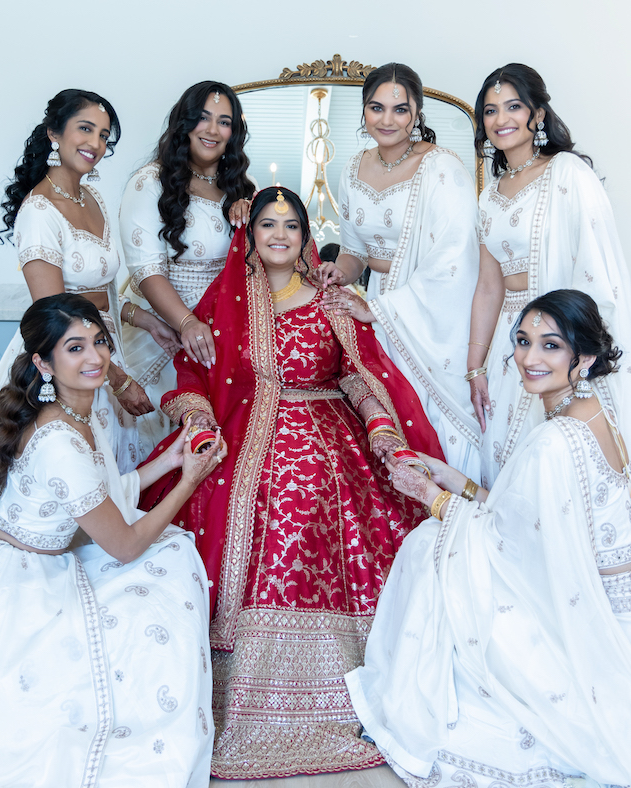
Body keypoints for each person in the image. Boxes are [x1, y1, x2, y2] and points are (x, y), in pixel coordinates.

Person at [139, 187, 444, 779]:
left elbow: (361, 376)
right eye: (267, 224)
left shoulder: (333, 299)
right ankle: (242, 700)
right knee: (232, 500)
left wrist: (382, 431)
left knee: (306, 499)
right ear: (250, 233)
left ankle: (340, 693)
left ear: (306, 237)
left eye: (292, 226)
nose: (280, 234)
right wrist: (199, 421)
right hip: (244, 435)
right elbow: (194, 369)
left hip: (332, 441)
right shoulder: (227, 296)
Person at [346, 289, 631, 787]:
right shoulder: (591, 412)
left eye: (551, 346)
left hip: (581, 607)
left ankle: (416, 696)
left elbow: (510, 547)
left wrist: (429, 495)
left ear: (582, 357)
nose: (529, 358)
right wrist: (445, 475)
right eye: (523, 341)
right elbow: (519, 515)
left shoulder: (553, 440)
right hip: (600, 586)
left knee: (430, 546)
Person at [0, 293, 226, 787]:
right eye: (74, 348)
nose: (95, 358)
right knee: (164, 577)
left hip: (55, 553)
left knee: (171, 556)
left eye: (99, 342)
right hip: (26, 583)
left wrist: (171, 462)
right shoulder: (60, 440)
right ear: (43, 362)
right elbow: (125, 544)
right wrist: (191, 480)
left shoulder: (75, 413)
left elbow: (104, 494)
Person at [0, 89, 168, 475]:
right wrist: (115, 379)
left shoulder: (94, 199)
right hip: (66, 357)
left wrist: (144, 319)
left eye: (104, 135)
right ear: (54, 132)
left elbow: (105, 293)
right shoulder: (39, 211)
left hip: (105, 347)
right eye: (85, 129)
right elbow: (53, 313)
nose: (96, 144)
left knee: (116, 470)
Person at [468, 63, 631, 488]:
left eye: (513, 107)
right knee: (507, 462)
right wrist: (476, 365)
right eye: (490, 110)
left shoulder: (568, 174)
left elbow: (599, 270)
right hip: (513, 339)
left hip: (562, 339)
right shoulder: (489, 194)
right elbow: (489, 285)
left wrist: (573, 351)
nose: (501, 119)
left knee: (557, 466)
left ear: (537, 114)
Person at [318, 62, 481, 479]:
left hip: (432, 308)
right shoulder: (352, 169)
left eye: (400, 109)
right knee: (386, 408)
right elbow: (355, 252)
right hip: (380, 302)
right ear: (364, 111)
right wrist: (337, 273)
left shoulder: (442, 166)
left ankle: (449, 504)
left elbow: (455, 257)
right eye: (376, 108)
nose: (387, 120)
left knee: (435, 407)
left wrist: (384, 309)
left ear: (417, 113)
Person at [120, 81, 255, 459]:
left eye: (224, 121)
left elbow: (259, 267)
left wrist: (251, 218)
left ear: (234, 131)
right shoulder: (150, 182)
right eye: (202, 118)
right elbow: (147, 271)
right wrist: (186, 323)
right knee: (151, 442)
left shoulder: (243, 189)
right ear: (184, 123)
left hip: (218, 340)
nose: (212, 130)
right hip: (159, 334)